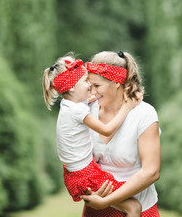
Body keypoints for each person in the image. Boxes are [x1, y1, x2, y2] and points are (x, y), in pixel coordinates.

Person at [42, 52, 142, 217]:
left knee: (124, 205)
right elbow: (107, 130)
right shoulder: (77, 111)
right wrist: (127, 106)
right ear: (72, 86)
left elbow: (88, 100)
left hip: (76, 174)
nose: (90, 85)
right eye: (86, 81)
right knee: (134, 207)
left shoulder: (68, 106)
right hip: (87, 175)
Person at [80, 51, 161, 217]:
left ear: (117, 82)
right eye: (90, 86)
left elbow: (151, 172)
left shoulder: (144, 114)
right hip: (96, 208)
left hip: (140, 207)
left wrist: (107, 200)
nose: (93, 92)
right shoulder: (87, 110)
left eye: (97, 86)